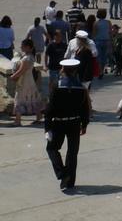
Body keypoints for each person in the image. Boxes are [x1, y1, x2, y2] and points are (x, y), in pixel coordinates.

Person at [44, 58, 90, 192]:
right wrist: (84, 124)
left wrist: (47, 126)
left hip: (59, 122)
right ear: (75, 71)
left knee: (52, 148)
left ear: (63, 70)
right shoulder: (81, 87)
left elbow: (50, 107)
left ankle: (62, 173)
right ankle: (70, 181)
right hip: (74, 122)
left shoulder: (57, 86)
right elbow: (84, 107)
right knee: (72, 152)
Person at [12, 39, 45, 125]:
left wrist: (13, 76)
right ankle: (39, 115)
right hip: (30, 80)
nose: (21, 48)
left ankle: (18, 120)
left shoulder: (26, 58)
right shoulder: (30, 56)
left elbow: (21, 71)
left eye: (22, 46)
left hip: (24, 81)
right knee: (32, 97)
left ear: (27, 47)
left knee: (19, 98)